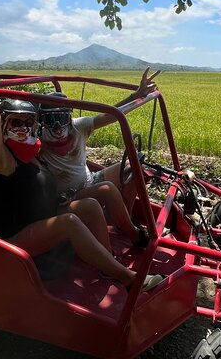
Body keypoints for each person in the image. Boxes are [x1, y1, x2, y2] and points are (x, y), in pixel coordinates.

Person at [0, 39, 163, 291]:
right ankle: (128, 278)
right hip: (14, 234)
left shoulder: (31, 150)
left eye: (28, 122)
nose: (23, 128)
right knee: (70, 221)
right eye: (15, 123)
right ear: (3, 126)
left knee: (91, 205)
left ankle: (109, 263)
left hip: (42, 214)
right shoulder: (1, 159)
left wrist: (136, 95)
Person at [38, 68, 161, 247]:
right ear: (41, 120)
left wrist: (136, 96)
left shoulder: (79, 127)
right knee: (107, 190)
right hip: (69, 196)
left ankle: (123, 221)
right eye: (50, 119)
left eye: (61, 117)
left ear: (69, 116)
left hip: (90, 180)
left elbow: (110, 114)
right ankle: (134, 235)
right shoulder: (38, 139)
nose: (57, 127)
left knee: (136, 167)